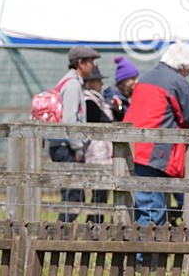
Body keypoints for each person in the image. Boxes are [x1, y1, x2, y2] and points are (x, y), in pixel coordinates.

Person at [123, 42, 189, 230]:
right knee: (152, 210)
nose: (188, 74)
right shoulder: (177, 82)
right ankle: (145, 257)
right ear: (183, 66)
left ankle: (143, 255)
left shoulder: (146, 78)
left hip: (134, 148)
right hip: (154, 153)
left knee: (143, 207)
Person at [49, 45, 100, 223]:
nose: (93, 66)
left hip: (64, 145)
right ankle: (59, 237)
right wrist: (78, 148)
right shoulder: (72, 85)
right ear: (80, 63)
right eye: (90, 62)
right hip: (67, 148)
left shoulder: (71, 82)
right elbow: (70, 120)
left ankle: (60, 236)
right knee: (73, 198)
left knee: (74, 197)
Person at [82, 64, 114, 224]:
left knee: (102, 193)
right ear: (91, 82)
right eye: (98, 81)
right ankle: (94, 224)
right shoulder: (89, 100)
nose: (101, 84)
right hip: (96, 154)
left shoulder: (99, 100)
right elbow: (104, 120)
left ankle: (95, 223)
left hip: (104, 153)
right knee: (99, 192)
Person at [104, 55, 140, 120]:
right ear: (123, 80)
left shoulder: (131, 94)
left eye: (136, 78)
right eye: (132, 78)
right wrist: (119, 108)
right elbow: (118, 109)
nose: (136, 81)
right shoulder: (112, 95)